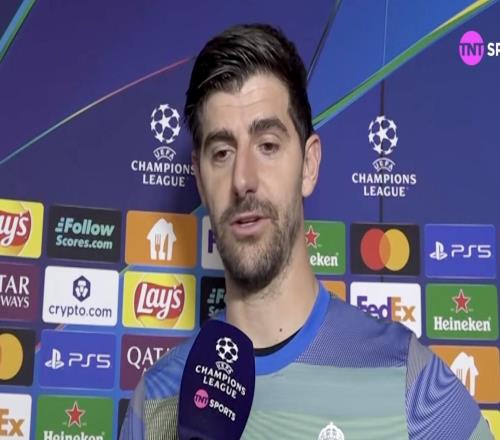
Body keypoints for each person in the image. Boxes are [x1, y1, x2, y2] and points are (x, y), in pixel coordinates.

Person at [120, 24, 493, 439]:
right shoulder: (157, 401)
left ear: (309, 165)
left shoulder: (410, 385)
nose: (243, 179)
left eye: (268, 145)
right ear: (200, 180)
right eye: (222, 153)